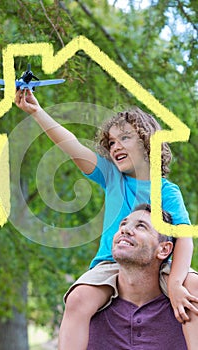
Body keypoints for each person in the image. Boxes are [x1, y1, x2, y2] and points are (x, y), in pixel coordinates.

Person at [15, 89, 198, 350]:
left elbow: (184, 239)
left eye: (125, 137)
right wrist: (37, 112)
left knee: (193, 288)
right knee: (78, 298)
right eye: (111, 142)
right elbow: (72, 146)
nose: (115, 146)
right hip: (110, 264)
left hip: (157, 266)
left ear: (149, 142)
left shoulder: (167, 191)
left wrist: (177, 284)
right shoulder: (112, 177)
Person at [87, 204, 187, 350]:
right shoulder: (89, 308)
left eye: (141, 226)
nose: (125, 230)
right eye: (123, 224)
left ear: (164, 249)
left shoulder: (185, 310)